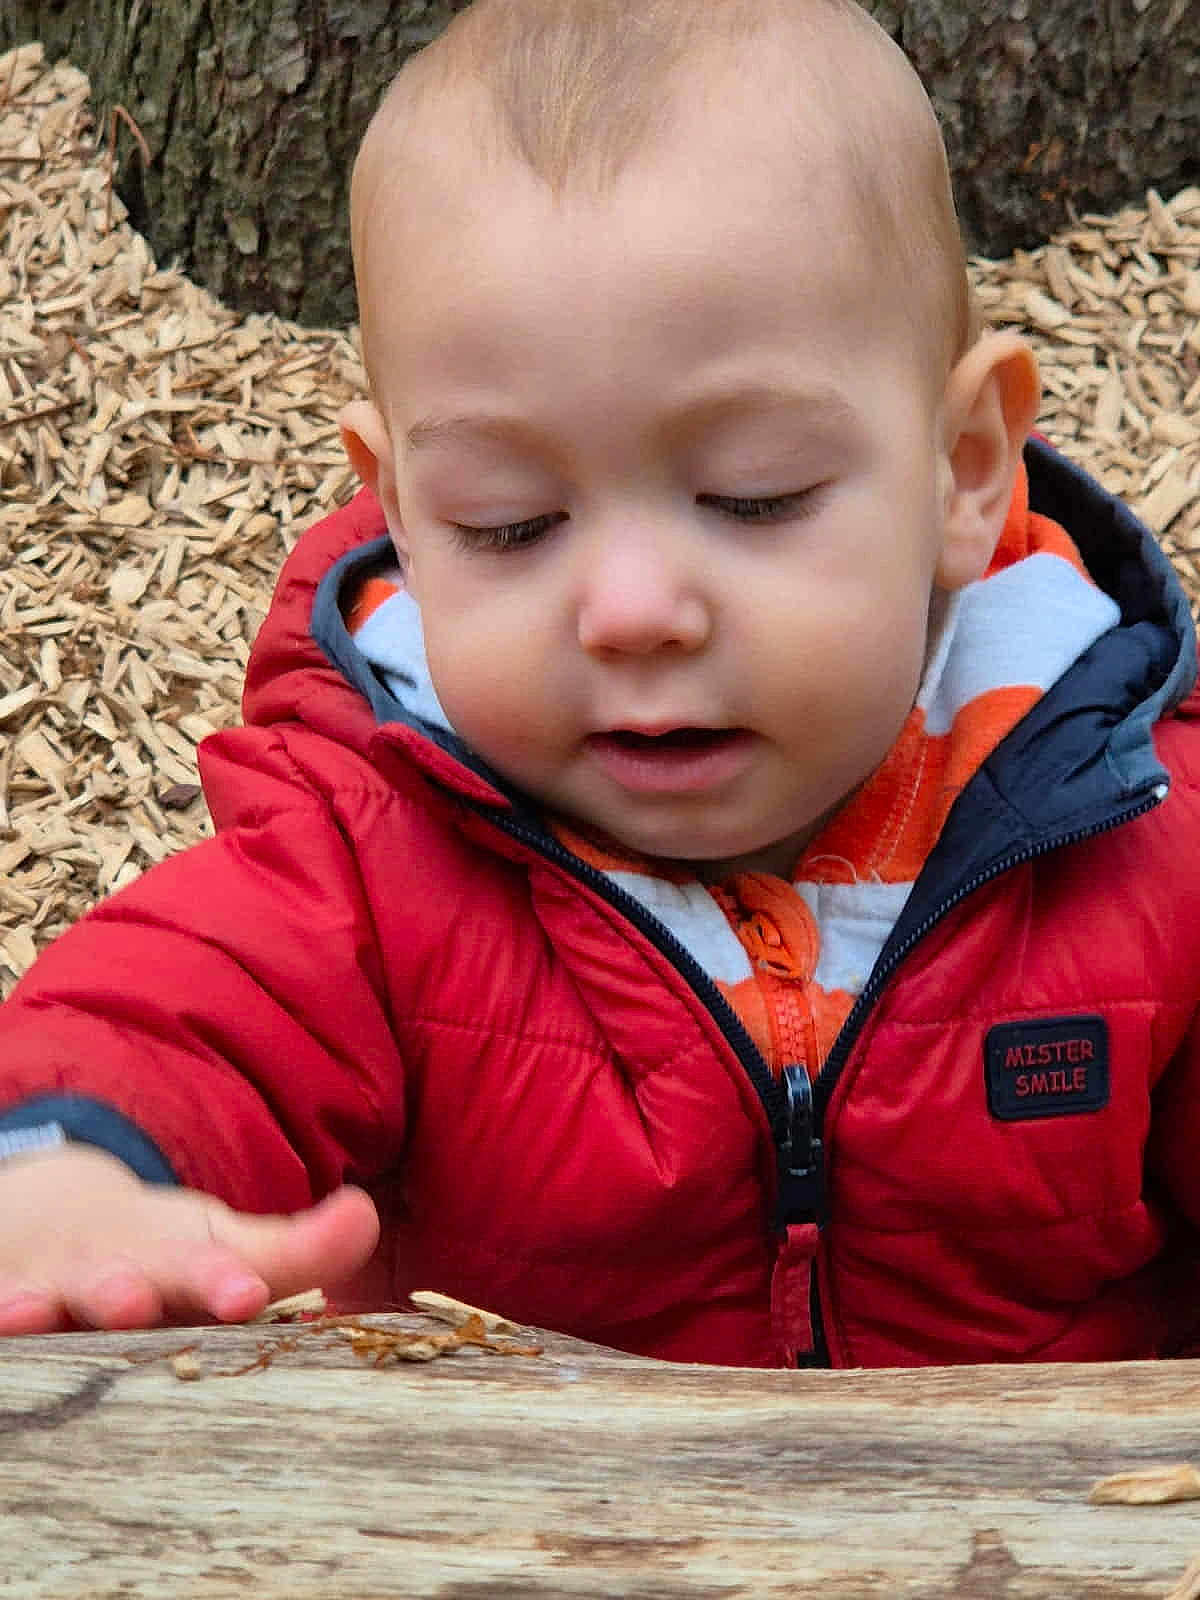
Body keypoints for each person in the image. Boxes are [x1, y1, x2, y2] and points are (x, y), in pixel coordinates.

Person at [1, 0, 1198, 1369]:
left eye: (754, 498)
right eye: (510, 524)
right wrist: (63, 1166)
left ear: (966, 469)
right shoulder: (373, 849)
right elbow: (181, 1012)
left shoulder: (1137, 833)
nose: (630, 613)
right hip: (531, 1535)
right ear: (400, 511)